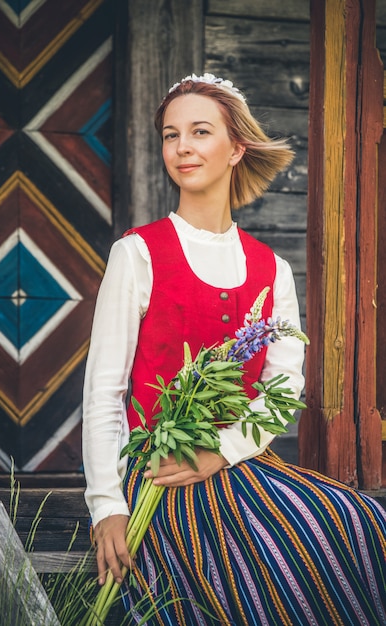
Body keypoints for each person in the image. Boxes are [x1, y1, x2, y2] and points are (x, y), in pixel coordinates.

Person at [82, 73, 386, 625]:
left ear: (236, 148)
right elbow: (105, 391)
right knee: (242, 559)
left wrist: (221, 452)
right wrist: (107, 506)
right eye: (172, 135)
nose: (183, 148)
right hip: (161, 470)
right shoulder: (138, 254)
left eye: (200, 132)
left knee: (359, 522)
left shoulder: (273, 268)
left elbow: (282, 389)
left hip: (241, 461)